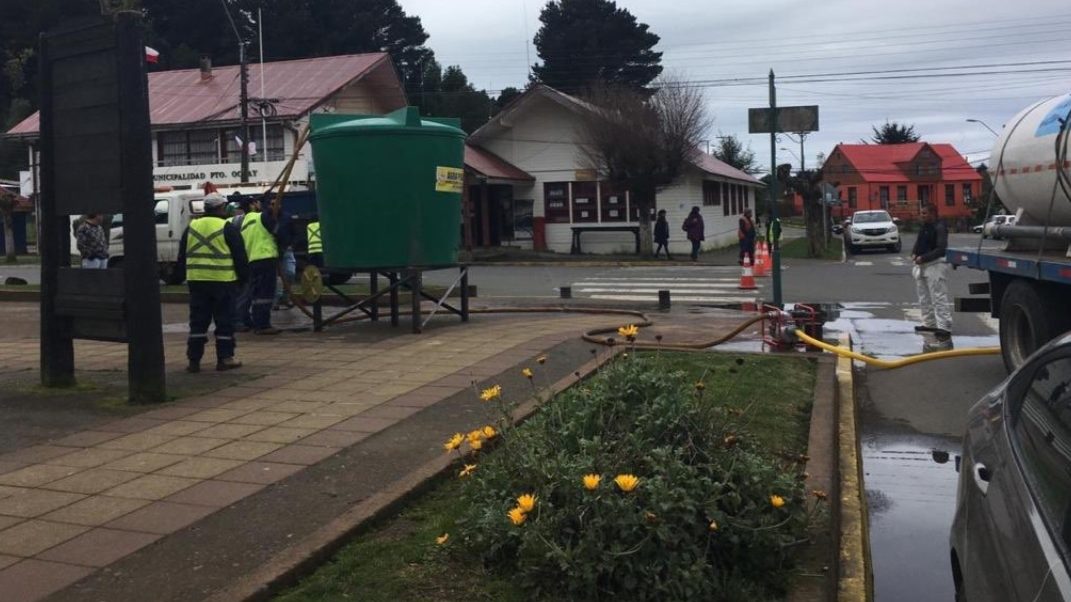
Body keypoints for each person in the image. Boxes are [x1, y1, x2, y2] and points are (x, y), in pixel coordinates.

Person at [175, 194, 249, 373]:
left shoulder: (191, 227)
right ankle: (225, 358)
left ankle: (194, 361)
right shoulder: (227, 227)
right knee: (224, 321)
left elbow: (182, 256)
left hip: (197, 281)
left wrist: (178, 277)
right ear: (222, 207)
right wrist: (244, 279)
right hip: (223, 282)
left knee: (198, 322)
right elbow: (240, 256)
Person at [236, 195, 281, 335]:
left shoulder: (244, 223)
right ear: (251, 205)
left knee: (257, 295)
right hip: (265, 257)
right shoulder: (261, 217)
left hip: (252, 261)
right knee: (266, 293)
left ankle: (257, 322)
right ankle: (263, 325)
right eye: (256, 202)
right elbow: (277, 231)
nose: (259, 204)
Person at [912, 203, 952, 346]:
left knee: (938, 296)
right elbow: (919, 243)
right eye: (921, 213)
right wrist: (915, 253)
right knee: (924, 297)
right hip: (922, 265)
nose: (921, 215)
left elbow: (941, 249)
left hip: (935, 265)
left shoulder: (939, 227)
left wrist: (923, 257)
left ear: (932, 213)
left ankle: (944, 327)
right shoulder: (925, 227)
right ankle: (929, 323)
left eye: (924, 213)